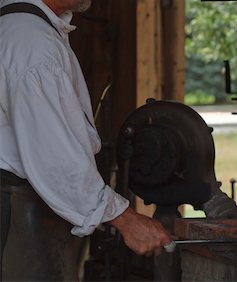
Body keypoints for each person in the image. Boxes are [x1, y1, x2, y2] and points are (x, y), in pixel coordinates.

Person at [0, 0, 172, 280]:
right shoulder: (30, 42)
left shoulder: (22, 26)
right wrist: (124, 219)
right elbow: (55, 158)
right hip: (16, 217)